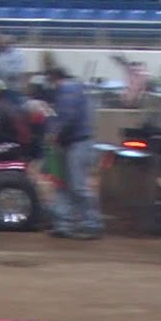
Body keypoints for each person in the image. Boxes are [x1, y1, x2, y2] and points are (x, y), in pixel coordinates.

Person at [46, 66, 103, 240]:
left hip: (78, 143)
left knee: (77, 187)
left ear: (53, 78)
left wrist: (54, 134)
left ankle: (92, 224)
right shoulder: (75, 89)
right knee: (63, 186)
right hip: (73, 143)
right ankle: (64, 224)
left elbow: (66, 117)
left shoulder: (67, 90)